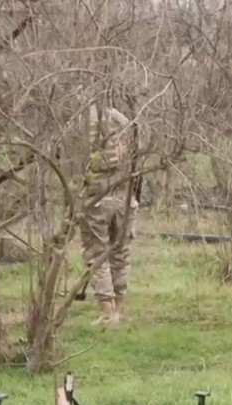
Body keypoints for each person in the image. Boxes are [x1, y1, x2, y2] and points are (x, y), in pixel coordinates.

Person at [80, 101, 138, 326]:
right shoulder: (122, 119)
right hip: (125, 195)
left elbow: (73, 162)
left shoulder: (82, 122)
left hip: (97, 196)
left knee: (97, 252)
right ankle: (118, 310)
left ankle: (107, 311)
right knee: (121, 252)